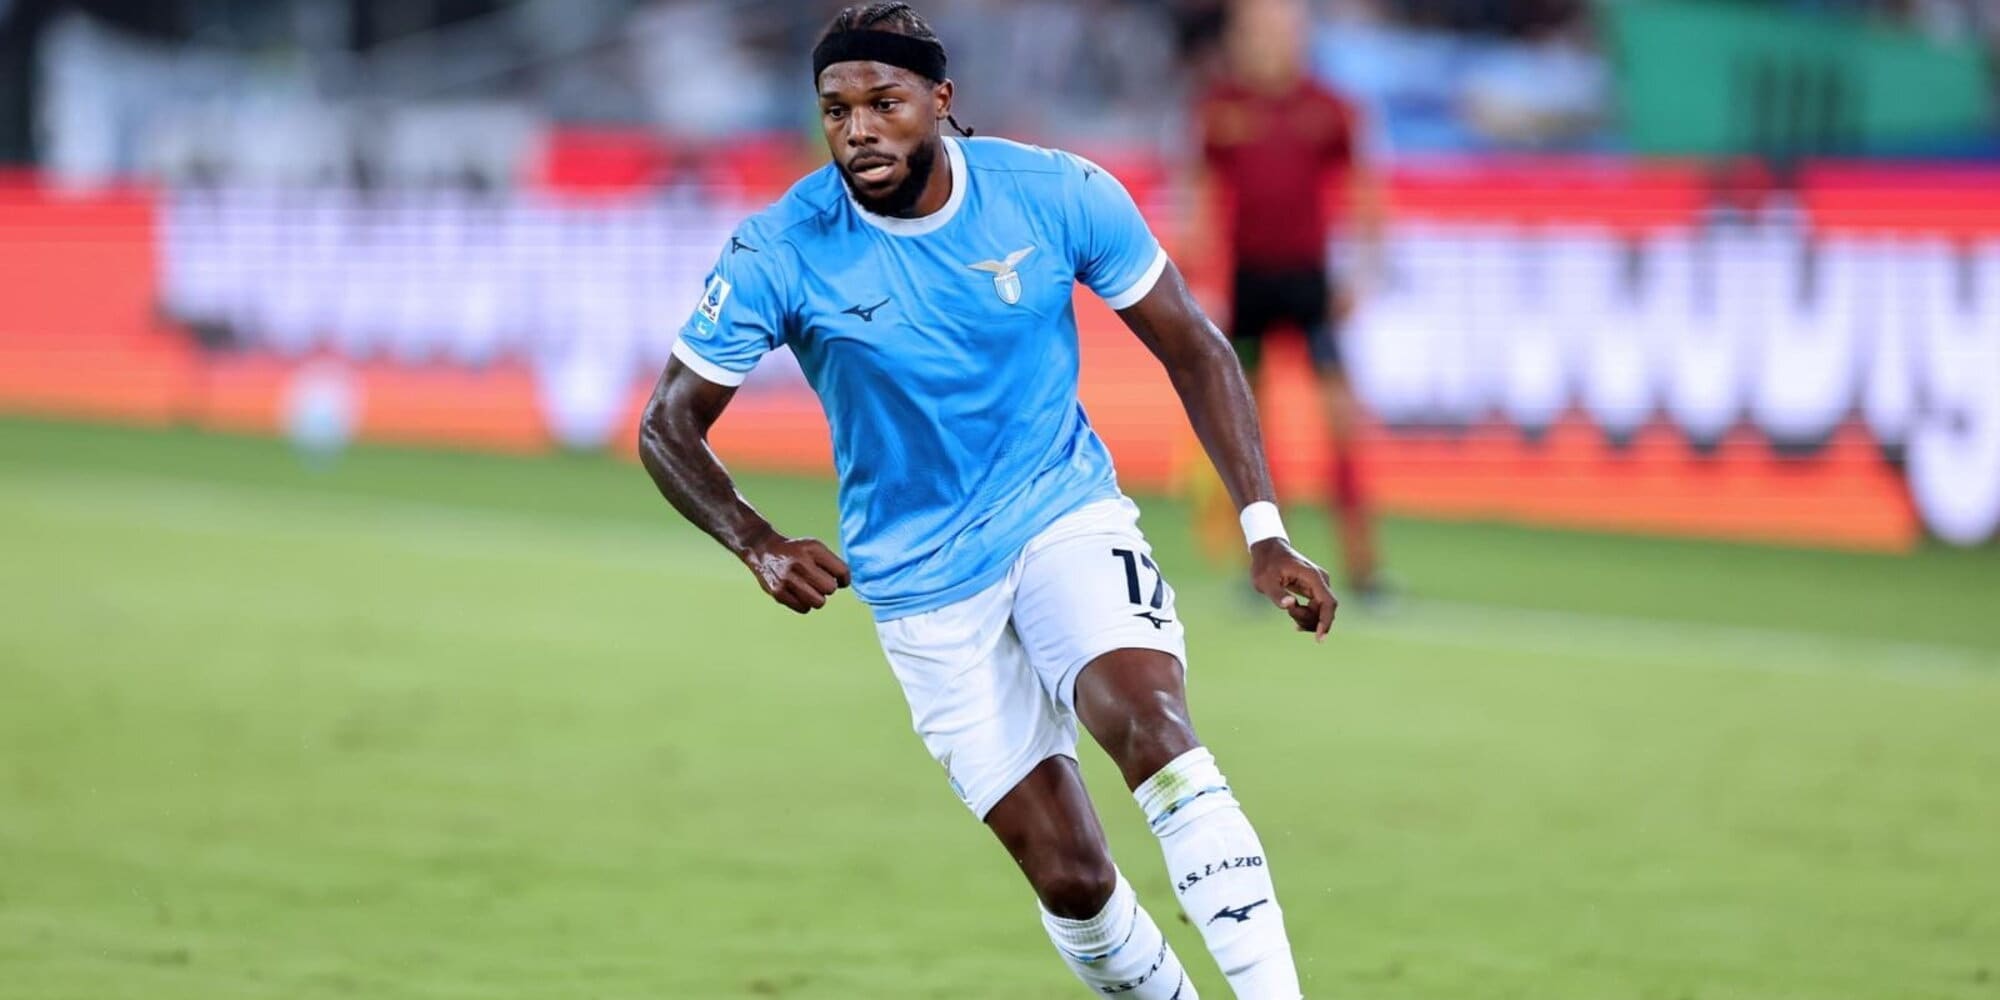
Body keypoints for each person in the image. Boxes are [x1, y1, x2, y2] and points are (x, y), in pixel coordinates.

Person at [638, 4, 1335, 996]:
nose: (858, 130)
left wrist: (1263, 530)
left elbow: (1194, 344)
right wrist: (754, 539)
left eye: (884, 103)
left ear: (940, 99)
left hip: (1061, 512)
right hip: (919, 582)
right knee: (1073, 879)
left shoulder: (1054, 194)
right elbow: (668, 422)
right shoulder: (780, 248)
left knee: (1152, 727)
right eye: (836, 110)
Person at [1189, 0, 1390, 602]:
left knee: (1340, 426)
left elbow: (1362, 187)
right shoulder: (1220, 108)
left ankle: (1364, 567)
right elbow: (1199, 191)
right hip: (1248, 284)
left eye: (1279, 30)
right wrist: (1199, 277)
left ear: (1300, 37)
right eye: (1256, 31)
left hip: (1310, 284)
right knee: (1249, 429)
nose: (1268, 42)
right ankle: (1266, 565)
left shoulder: (1328, 108)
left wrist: (1364, 269)